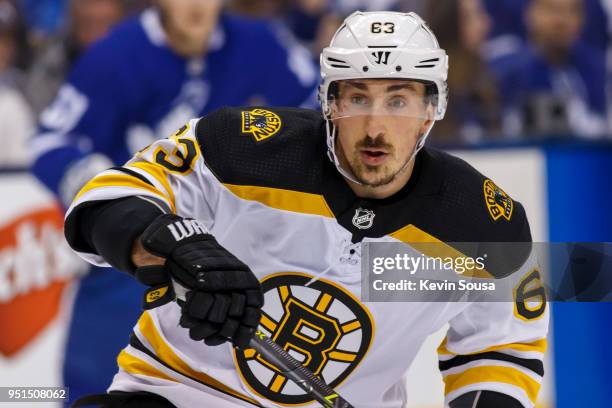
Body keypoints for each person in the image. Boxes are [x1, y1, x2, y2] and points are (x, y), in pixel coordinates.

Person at [64, 11, 548, 407]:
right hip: (176, 394)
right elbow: (107, 200)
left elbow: (503, 347)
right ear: (328, 102)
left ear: (430, 111)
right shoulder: (242, 146)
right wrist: (178, 247)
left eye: (398, 101)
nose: (376, 127)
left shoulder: (486, 223)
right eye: (358, 98)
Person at [31, 0, 318, 404]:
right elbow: (51, 142)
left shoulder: (263, 46)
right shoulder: (116, 55)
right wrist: (110, 192)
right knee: (96, 390)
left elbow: (324, 118)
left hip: (242, 260)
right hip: (137, 259)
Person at [486, 0, 607, 137]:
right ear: (530, 14)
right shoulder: (506, 72)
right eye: (552, 9)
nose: (562, 20)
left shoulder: (596, 68)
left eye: (572, 11)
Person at [24, 0, 127, 115]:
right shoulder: (53, 62)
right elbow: (40, 114)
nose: (93, 13)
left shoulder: (137, 62)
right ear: (71, 11)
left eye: (101, 3)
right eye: (88, 3)